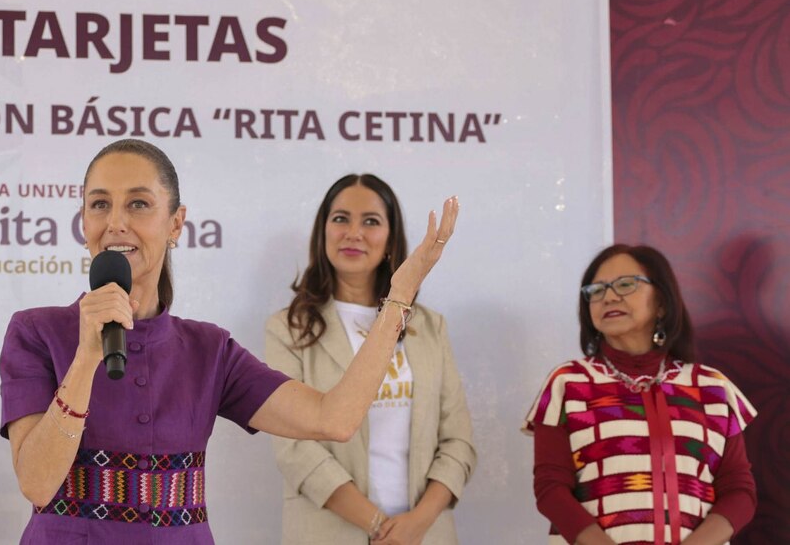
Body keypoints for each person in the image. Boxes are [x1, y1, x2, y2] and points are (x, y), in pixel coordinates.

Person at [0, 139, 459, 544]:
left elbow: (334, 419)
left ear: (176, 224)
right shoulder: (36, 332)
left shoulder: (207, 350)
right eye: (99, 205)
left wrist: (398, 297)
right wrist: (86, 358)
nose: (116, 222)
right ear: (83, 222)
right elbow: (37, 484)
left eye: (138, 204)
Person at [265, 173, 475, 545]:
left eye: (371, 221)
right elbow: (294, 448)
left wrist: (416, 525)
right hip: (329, 532)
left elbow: (458, 441)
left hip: (425, 534)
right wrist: (379, 526)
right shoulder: (288, 328)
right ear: (323, 231)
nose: (354, 232)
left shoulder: (429, 326)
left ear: (391, 238)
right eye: (341, 218)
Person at [523, 244, 756, 545]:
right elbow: (550, 489)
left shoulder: (713, 388)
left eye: (625, 284)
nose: (608, 296)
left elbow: (739, 492)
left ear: (661, 302)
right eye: (596, 290)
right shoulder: (568, 383)